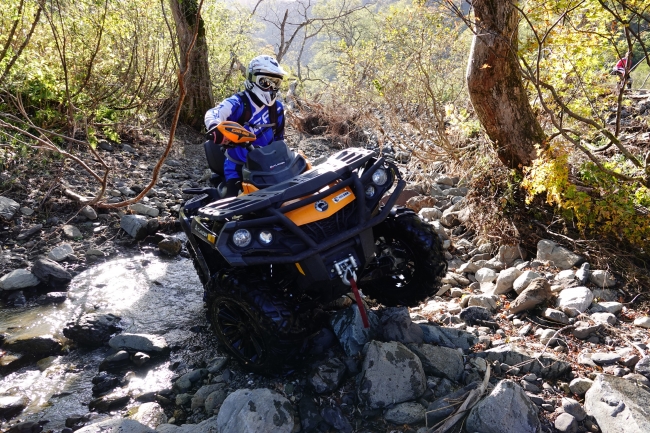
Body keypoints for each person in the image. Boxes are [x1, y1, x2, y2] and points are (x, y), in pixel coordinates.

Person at [204, 55, 287, 197]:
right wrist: (215, 127)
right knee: (233, 210)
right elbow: (214, 113)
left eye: (276, 83)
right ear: (252, 79)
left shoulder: (277, 109)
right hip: (238, 167)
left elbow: (280, 141)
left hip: (267, 167)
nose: (271, 88)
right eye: (266, 82)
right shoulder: (238, 102)